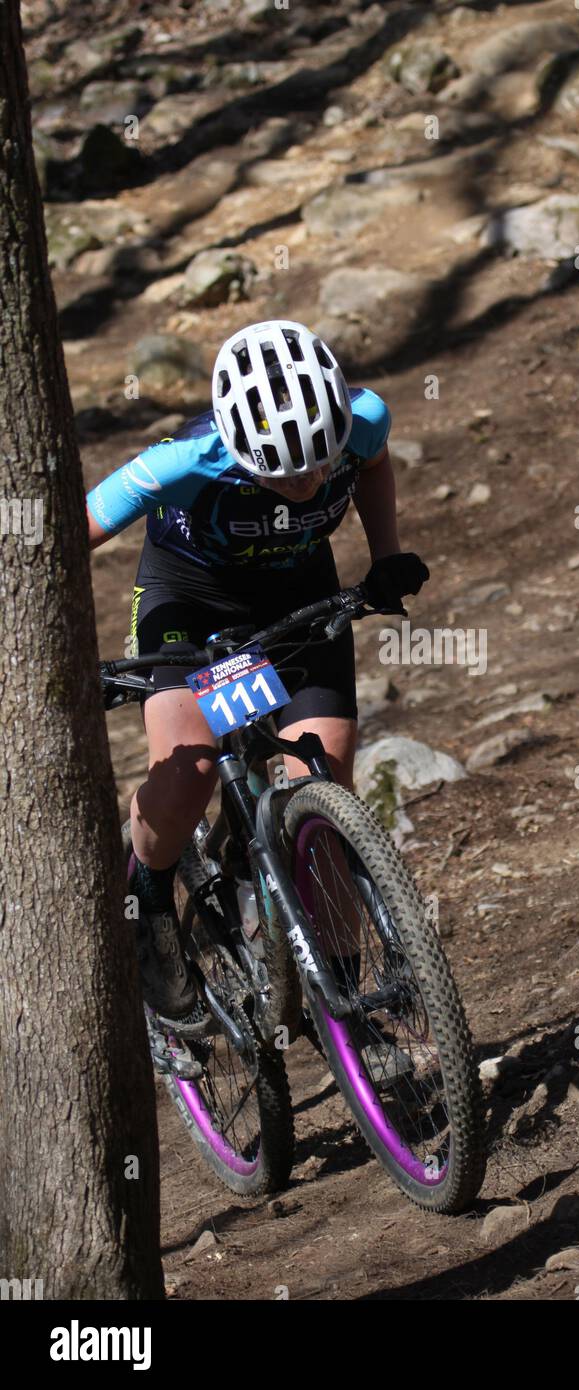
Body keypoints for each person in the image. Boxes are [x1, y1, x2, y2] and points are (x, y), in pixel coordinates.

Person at [87, 319, 428, 1031]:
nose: (306, 484)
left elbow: (373, 464)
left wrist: (385, 554)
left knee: (322, 779)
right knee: (191, 773)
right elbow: (70, 528)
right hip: (190, 604)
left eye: (316, 464)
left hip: (296, 595)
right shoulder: (179, 462)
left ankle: (349, 1005)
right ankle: (147, 898)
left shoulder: (361, 422)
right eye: (282, 471)